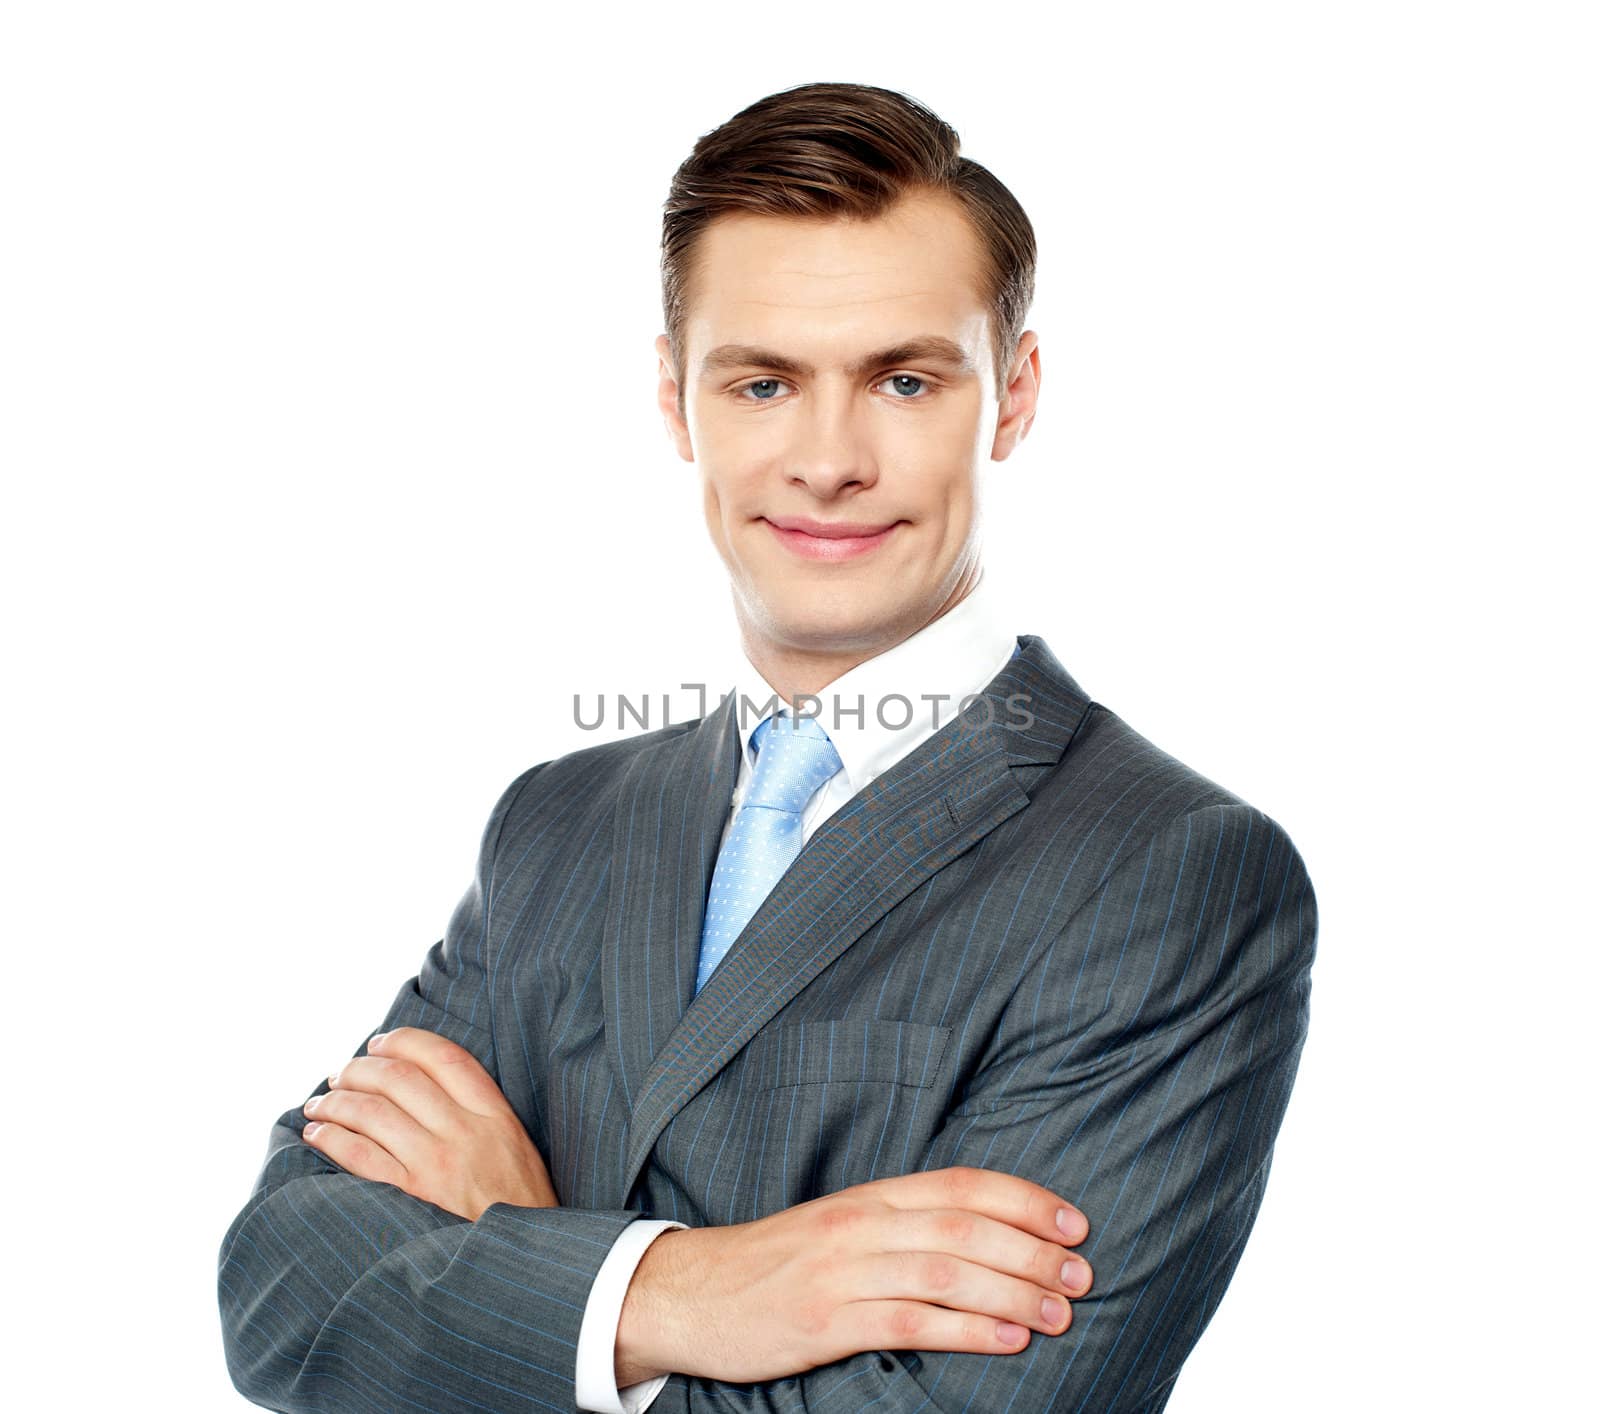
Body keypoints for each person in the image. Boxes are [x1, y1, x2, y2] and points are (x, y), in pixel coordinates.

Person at [217, 80, 1317, 1413]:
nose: (828, 459)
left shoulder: (1171, 873)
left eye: (905, 379)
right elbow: (283, 1293)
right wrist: (672, 1289)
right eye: (763, 382)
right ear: (679, 404)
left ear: (1013, 397)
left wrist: (519, 1259)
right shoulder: (560, 822)